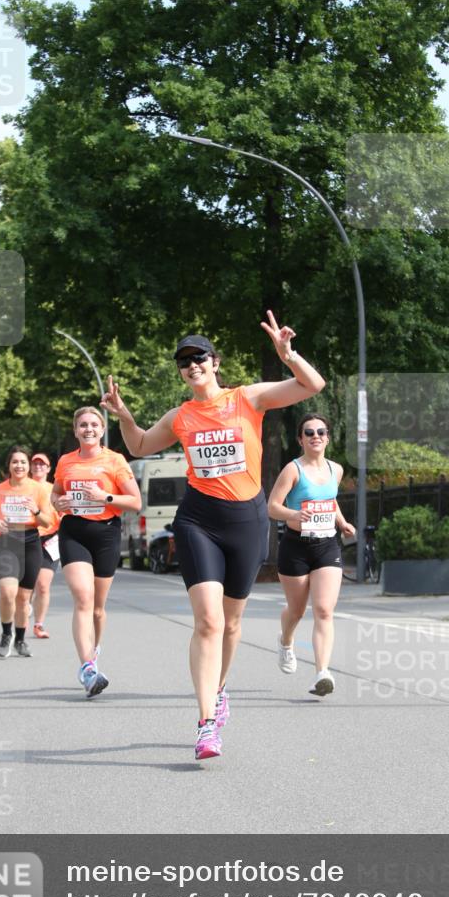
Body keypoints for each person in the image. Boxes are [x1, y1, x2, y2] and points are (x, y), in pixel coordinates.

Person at [101, 311, 325, 760]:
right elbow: (140, 446)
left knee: (232, 622)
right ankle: (206, 724)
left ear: (215, 362)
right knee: (208, 621)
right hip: (198, 520)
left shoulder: (248, 399)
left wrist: (288, 354)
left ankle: (220, 689)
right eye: (184, 361)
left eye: (198, 357)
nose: (192, 366)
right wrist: (125, 416)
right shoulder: (182, 416)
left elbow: (311, 386)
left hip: (246, 520)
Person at [52, 407, 142, 697]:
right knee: (83, 599)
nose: (88, 429)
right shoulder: (66, 461)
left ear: (102, 430)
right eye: (82, 425)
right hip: (73, 532)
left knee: (98, 609)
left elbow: (135, 502)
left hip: (106, 534)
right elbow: (55, 493)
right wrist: (58, 503)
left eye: (93, 425)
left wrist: (106, 497)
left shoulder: (115, 460)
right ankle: (87, 668)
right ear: (75, 430)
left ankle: (94, 650)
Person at [267, 413, 355, 697]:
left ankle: (322, 673)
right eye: (309, 432)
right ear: (300, 439)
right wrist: (295, 514)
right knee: (296, 610)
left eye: (320, 431)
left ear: (328, 437)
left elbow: (329, 500)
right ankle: (286, 641)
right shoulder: (293, 470)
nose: (315, 436)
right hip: (296, 546)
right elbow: (272, 506)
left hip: (327, 544)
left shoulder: (336, 470)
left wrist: (341, 522)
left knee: (324, 610)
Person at [0, 446, 52, 658]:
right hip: (7, 541)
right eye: (15, 462)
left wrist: (35, 510)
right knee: (7, 592)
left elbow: (47, 520)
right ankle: (6, 634)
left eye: (23, 462)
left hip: (31, 541)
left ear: (28, 466)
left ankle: (20, 640)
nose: (19, 466)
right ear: (9, 465)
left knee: (23, 598)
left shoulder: (38, 489)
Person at [29, 453, 61, 638]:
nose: (39, 467)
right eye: (35, 464)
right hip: (27, 538)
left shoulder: (53, 490)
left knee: (43, 585)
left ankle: (39, 625)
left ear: (49, 469)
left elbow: (63, 513)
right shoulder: (24, 488)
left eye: (43, 464)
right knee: (27, 584)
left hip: (49, 540)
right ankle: (25, 605)